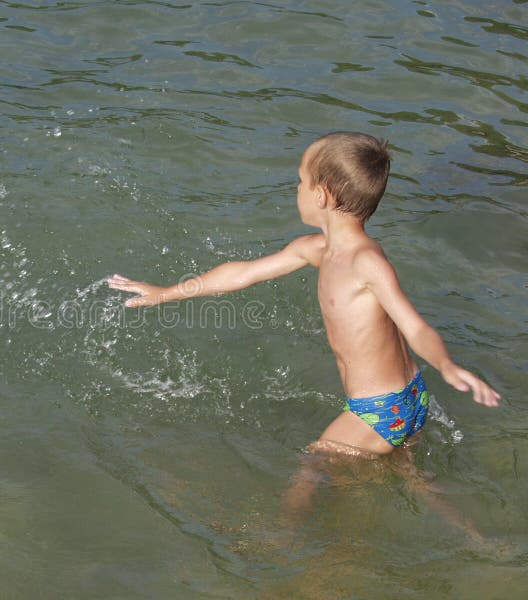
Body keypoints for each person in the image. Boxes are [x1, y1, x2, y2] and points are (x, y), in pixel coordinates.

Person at [108, 131, 501, 535]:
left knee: (311, 464)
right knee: (415, 479)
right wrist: (167, 293)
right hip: (407, 399)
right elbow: (242, 273)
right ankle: (475, 536)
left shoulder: (366, 261)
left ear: (322, 196)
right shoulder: (317, 249)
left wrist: (447, 364)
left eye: (300, 180)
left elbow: (414, 325)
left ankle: (283, 540)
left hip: (380, 409)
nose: (296, 188)